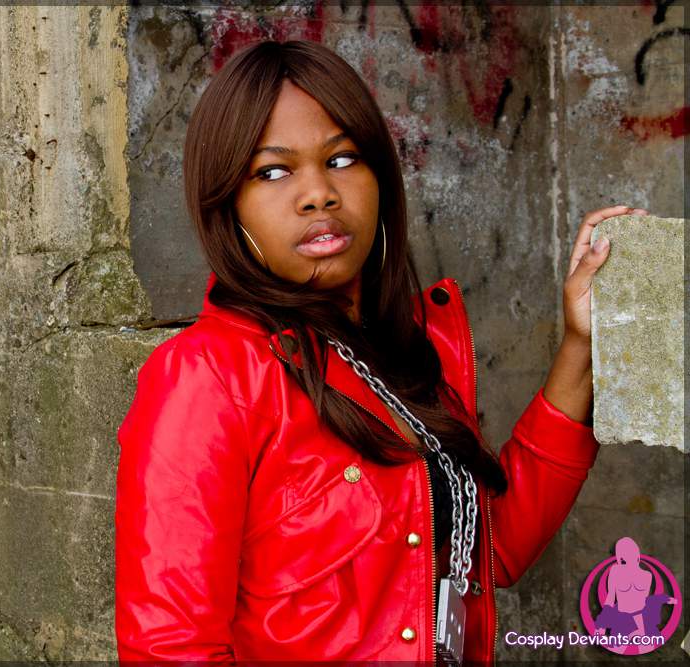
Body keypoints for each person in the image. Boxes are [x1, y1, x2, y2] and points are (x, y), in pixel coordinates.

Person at [114, 38, 648, 664]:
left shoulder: (409, 346)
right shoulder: (208, 376)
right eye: (274, 172)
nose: (318, 194)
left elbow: (492, 549)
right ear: (228, 205)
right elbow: (169, 647)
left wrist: (581, 344)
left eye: (342, 159)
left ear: (381, 180)